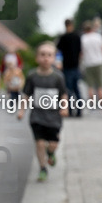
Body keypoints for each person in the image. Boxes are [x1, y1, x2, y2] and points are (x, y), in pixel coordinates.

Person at [17, 42, 68, 183]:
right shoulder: (32, 76)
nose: (46, 58)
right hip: (37, 116)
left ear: (54, 58)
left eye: (49, 55)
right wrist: (21, 110)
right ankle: (42, 168)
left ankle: (50, 152)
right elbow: (26, 95)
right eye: (42, 55)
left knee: (53, 144)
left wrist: (64, 108)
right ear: (37, 57)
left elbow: (63, 95)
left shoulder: (58, 77)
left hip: (54, 117)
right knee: (39, 143)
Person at [57, 19, 83, 117]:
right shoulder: (77, 36)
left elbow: (58, 50)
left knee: (69, 89)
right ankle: (78, 110)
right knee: (76, 89)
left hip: (68, 66)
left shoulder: (63, 37)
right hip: (74, 66)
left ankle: (71, 110)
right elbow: (80, 52)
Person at [80, 20, 102, 104]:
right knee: (101, 84)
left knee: (90, 85)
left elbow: (81, 53)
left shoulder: (83, 38)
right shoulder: (98, 37)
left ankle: (92, 103)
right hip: (99, 62)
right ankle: (101, 103)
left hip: (88, 63)